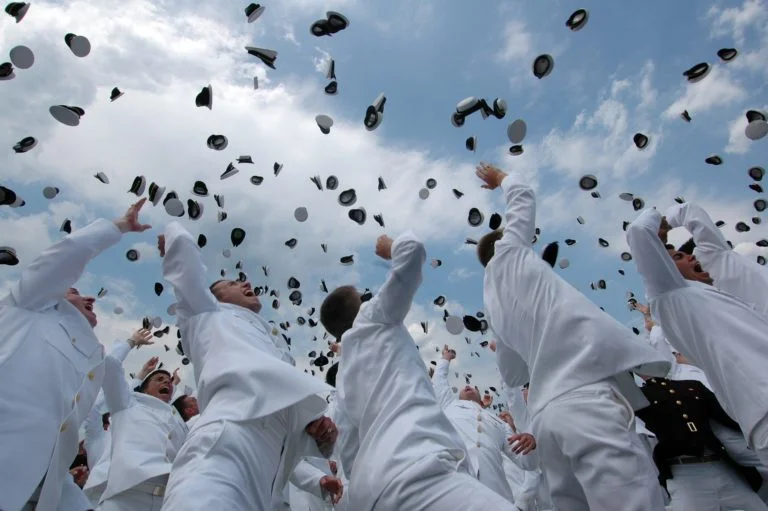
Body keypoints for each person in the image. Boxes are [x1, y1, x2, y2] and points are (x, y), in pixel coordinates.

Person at [475, 162, 670, 511]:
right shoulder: (511, 252)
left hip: (548, 419)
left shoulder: (491, 304)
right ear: (505, 242)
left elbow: (514, 374)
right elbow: (523, 196)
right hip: (586, 401)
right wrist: (502, 178)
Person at [321, 231, 517, 510]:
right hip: (418, 469)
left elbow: (349, 448)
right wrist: (391, 248)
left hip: (373, 492)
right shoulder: (372, 317)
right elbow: (412, 251)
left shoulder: (343, 380)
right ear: (361, 307)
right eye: (363, 296)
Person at [157, 221, 337, 511]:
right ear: (212, 297)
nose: (245, 283)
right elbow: (185, 264)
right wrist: (174, 232)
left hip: (271, 476)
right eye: (231, 283)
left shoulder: (275, 349)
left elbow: (285, 422)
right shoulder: (205, 316)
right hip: (227, 445)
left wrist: (316, 434)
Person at [0, 199, 151, 511]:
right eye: (74, 292)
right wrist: (118, 227)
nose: (90, 297)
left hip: (47, 486)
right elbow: (62, 258)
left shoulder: (91, 356)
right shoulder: (30, 306)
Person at [627, 207, 768, 467]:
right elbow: (639, 232)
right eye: (680, 256)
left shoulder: (720, 296)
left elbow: (713, 246)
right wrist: (666, 219)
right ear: (666, 270)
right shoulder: (673, 297)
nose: (692, 258)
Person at [637, 377, 766, 511]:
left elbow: (728, 418)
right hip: (684, 473)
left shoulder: (691, 385)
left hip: (722, 466)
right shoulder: (638, 395)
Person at [434, 345, 538, 502]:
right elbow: (439, 382)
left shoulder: (499, 423)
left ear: (481, 398)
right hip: (456, 490)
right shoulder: (448, 405)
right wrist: (446, 359)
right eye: (464, 388)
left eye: (474, 388)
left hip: (497, 496)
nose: (468, 387)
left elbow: (526, 462)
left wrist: (531, 444)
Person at [83, 330, 156, 506]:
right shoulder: (96, 436)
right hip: (102, 500)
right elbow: (103, 386)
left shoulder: (135, 433)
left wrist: (142, 374)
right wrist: (130, 343)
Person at [663, 201, 768, 315]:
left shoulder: (710, 254)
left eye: (682, 253)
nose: (690, 256)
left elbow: (688, 210)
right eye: (678, 257)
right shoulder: (696, 306)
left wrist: (660, 225)